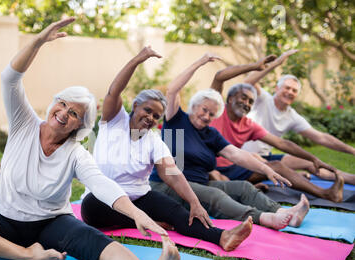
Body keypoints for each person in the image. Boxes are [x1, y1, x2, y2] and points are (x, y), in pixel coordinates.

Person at [0, 17, 181, 260]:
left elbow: (102, 184)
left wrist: (137, 213)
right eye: (62, 104)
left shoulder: (76, 154)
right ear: (53, 103)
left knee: (92, 239)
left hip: (53, 223)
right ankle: (27, 254)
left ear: (81, 124)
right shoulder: (23, 124)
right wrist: (39, 41)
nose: (64, 113)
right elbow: (10, 78)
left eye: (74, 113)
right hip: (6, 220)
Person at [81, 46, 254, 250]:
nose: (150, 118)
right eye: (147, 110)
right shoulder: (113, 121)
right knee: (90, 208)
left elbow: (172, 174)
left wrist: (194, 202)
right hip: (104, 201)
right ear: (135, 105)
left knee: (177, 210)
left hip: (139, 197)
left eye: (156, 116)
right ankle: (146, 221)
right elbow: (114, 90)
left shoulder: (153, 140)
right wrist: (138, 59)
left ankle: (222, 236)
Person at [148, 52, 310, 230]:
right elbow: (172, 89)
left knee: (243, 187)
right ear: (194, 106)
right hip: (167, 185)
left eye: (212, 114)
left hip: (200, 184)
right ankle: (264, 218)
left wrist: (266, 169)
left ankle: (283, 213)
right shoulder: (176, 120)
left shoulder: (211, 134)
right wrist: (199, 62)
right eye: (204, 110)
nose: (206, 116)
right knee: (215, 195)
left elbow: (236, 154)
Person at [207, 57, 345, 203]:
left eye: (250, 101)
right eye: (243, 98)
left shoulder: (248, 124)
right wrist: (253, 66)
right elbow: (219, 77)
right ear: (230, 98)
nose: (246, 103)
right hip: (209, 167)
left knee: (276, 166)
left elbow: (282, 143)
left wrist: (313, 159)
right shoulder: (216, 109)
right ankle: (241, 188)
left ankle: (326, 193)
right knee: (217, 176)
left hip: (234, 168)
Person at [242, 49, 355, 185]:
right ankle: (289, 174)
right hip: (244, 156)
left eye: (294, 90)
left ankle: (350, 179)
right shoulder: (263, 99)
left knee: (309, 162)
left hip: (267, 158)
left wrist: (352, 150)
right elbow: (247, 83)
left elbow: (321, 137)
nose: (290, 92)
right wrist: (276, 63)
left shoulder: (291, 115)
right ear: (277, 89)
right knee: (272, 165)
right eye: (287, 88)